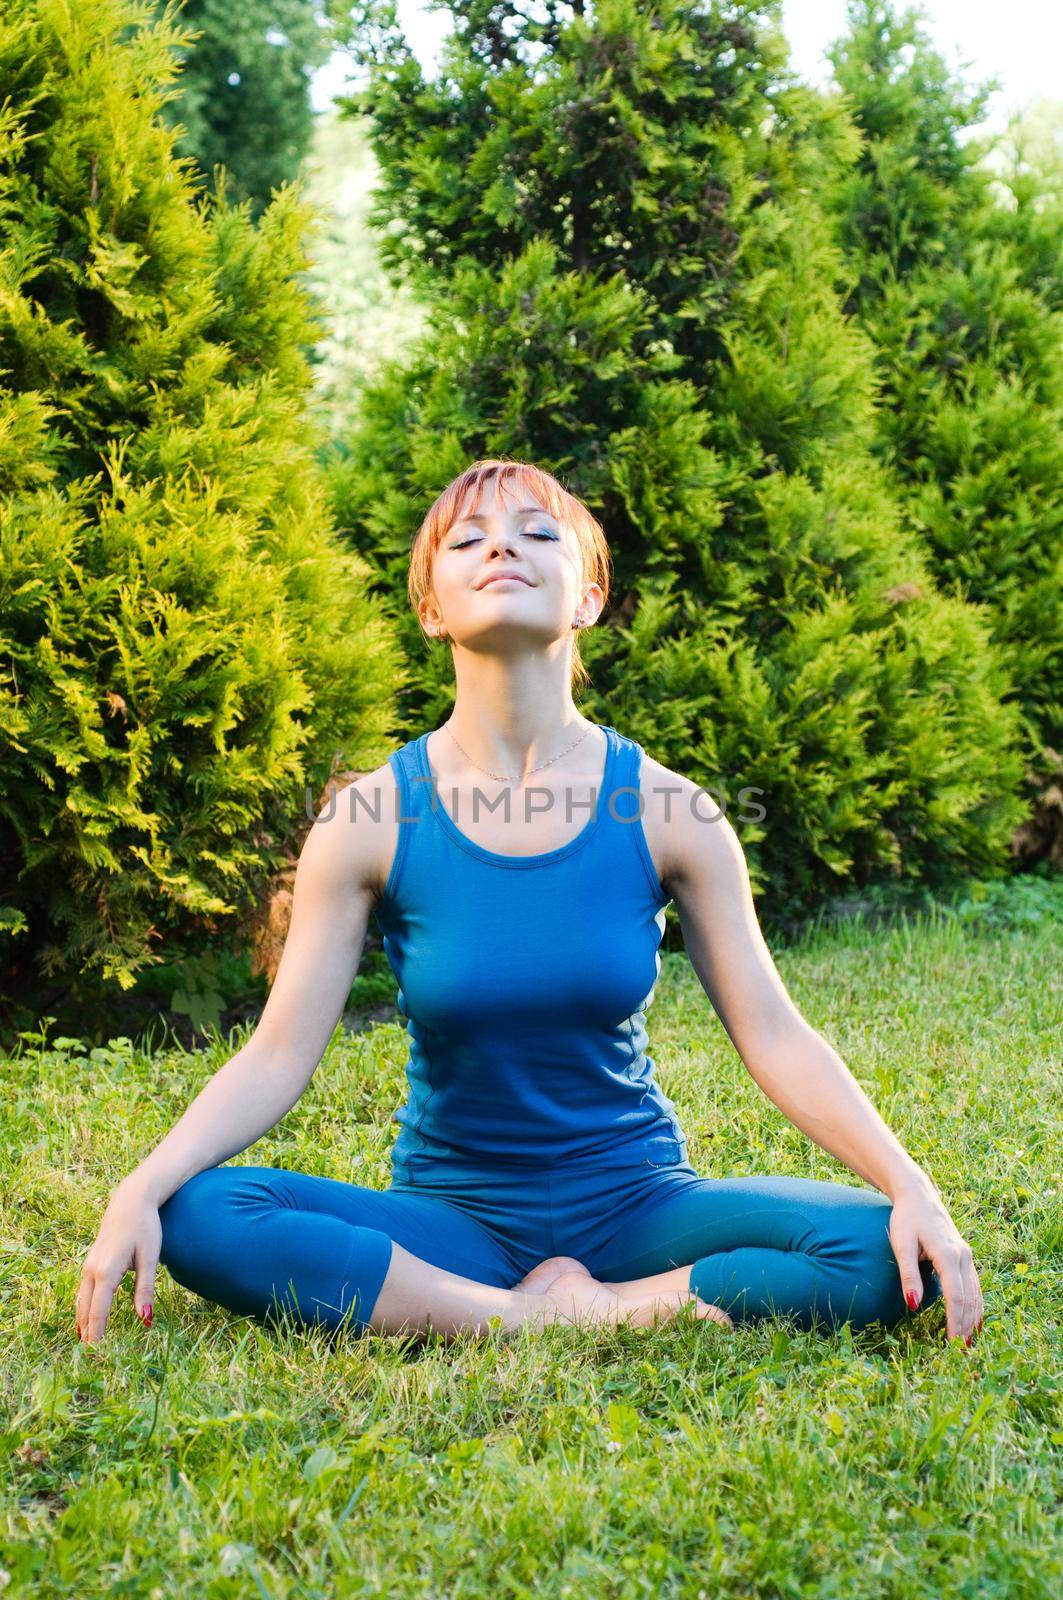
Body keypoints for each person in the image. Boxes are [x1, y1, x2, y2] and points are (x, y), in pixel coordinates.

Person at [75, 459, 984, 1350]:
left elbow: (775, 1035)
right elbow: (277, 1055)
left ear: (586, 596)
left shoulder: (672, 811)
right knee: (199, 1213)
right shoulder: (371, 821)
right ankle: (527, 1315)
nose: (501, 548)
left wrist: (913, 1188)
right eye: (467, 538)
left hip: (639, 1206)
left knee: (879, 1253)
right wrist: (145, 1181)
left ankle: (615, 1297)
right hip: (453, 1217)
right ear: (432, 608)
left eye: (537, 533)